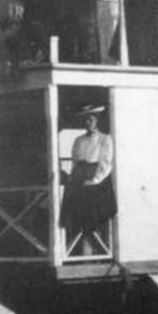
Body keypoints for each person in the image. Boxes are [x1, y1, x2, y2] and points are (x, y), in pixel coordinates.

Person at [60, 105, 116, 256]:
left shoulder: (105, 139)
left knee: (95, 217)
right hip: (80, 177)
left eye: (90, 119)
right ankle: (79, 251)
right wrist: (74, 177)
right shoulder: (78, 140)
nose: (87, 123)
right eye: (85, 120)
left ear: (96, 121)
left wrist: (96, 180)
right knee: (75, 215)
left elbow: (106, 162)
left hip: (96, 180)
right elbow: (75, 161)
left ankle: (97, 251)